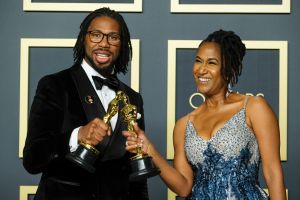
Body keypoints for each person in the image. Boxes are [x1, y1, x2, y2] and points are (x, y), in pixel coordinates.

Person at [124, 30, 286, 199]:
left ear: (228, 69)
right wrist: (149, 150)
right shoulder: (183, 125)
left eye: (211, 63)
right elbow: (184, 187)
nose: (201, 70)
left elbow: (273, 174)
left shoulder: (254, 107)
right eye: (198, 61)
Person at [23, 7, 148, 200]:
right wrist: (77, 135)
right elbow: (33, 159)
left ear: (121, 44)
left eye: (113, 37)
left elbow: (137, 174)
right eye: (96, 35)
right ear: (83, 38)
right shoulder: (55, 85)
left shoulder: (133, 97)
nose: (104, 44)